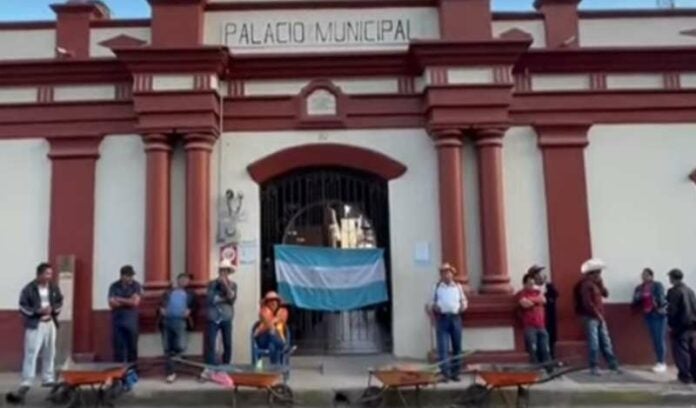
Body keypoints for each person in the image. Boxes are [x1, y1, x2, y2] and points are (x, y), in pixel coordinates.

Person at [7, 263, 64, 404]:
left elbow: (60, 301)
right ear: (39, 274)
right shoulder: (29, 289)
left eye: (51, 274)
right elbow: (22, 306)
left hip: (50, 323)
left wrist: (54, 309)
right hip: (35, 324)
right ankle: (27, 380)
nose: (50, 276)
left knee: (50, 351)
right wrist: (37, 311)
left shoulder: (53, 287)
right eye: (47, 274)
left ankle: (48, 377)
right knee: (31, 352)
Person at [574, 258, 621, 376]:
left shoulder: (596, 284)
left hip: (599, 316)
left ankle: (612, 364)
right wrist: (597, 315)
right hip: (591, 317)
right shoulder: (586, 285)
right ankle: (593, 366)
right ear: (592, 273)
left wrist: (601, 284)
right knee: (594, 342)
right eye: (598, 272)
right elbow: (587, 303)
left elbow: (606, 294)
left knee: (606, 341)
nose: (599, 274)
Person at [428, 263, 468, 382]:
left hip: (456, 318)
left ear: (452, 274)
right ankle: (445, 373)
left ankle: (455, 373)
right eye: (444, 272)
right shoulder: (436, 287)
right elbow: (430, 302)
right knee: (443, 347)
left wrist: (463, 307)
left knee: (457, 346)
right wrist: (435, 306)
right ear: (441, 275)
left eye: (448, 272)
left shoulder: (458, 287)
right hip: (443, 318)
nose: (446, 275)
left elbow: (464, 301)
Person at [159, 273, 197, 383]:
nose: (184, 281)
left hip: (181, 322)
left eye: (187, 280)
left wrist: (189, 310)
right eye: (183, 279)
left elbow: (195, 305)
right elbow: (160, 303)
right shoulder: (169, 292)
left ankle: (176, 362)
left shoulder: (190, 293)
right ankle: (171, 372)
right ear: (178, 279)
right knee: (167, 348)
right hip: (167, 321)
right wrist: (162, 309)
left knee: (180, 346)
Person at [203, 260, 237, 375]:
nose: (223, 273)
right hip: (213, 316)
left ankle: (225, 366)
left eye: (226, 271)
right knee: (211, 343)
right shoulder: (212, 284)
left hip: (226, 316)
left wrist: (226, 286)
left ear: (228, 272)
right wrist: (224, 299)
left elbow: (232, 299)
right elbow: (210, 299)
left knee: (227, 343)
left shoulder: (233, 285)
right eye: (222, 270)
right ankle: (209, 367)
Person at [632, 268, 668, 373]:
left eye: (646, 275)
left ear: (652, 276)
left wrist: (653, 298)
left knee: (659, 339)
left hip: (658, 314)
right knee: (654, 338)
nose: (644, 277)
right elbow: (635, 300)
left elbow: (661, 298)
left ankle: (661, 362)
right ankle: (658, 361)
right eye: (642, 275)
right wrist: (639, 296)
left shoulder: (657, 285)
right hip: (647, 314)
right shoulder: (639, 288)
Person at [666, 268, 696, 384]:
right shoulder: (690, 291)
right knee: (691, 351)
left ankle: (685, 376)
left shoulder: (674, 291)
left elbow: (672, 309)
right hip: (692, 325)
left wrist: (671, 324)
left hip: (680, 325)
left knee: (681, 352)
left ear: (672, 278)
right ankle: (694, 374)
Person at [108, 265, 142, 364]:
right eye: (129, 276)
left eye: (132, 276)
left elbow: (135, 302)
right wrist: (128, 300)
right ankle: (118, 373)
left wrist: (119, 299)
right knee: (118, 347)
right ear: (122, 276)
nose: (131, 278)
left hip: (131, 320)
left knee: (132, 347)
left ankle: (133, 371)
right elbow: (111, 303)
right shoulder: (114, 286)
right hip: (117, 320)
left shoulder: (136, 285)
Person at [517, 274, 551, 365]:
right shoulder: (522, 293)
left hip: (541, 325)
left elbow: (543, 300)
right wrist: (536, 301)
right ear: (524, 284)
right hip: (530, 326)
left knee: (545, 348)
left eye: (533, 283)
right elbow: (524, 304)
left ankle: (548, 367)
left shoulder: (537, 292)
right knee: (533, 349)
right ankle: (536, 368)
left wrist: (531, 300)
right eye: (529, 283)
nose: (532, 285)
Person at [527, 265, 559, 358]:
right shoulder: (532, 287)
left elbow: (556, 295)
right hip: (537, 316)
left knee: (551, 335)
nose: (542, 275)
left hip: (549, 313)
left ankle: (551, 355)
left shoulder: (548, 286)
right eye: (539, 273)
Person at [253, 291, 290, 365]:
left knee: (272, 345)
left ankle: (273, 368)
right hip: (263, 340)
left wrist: (263, 327)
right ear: (266, 302)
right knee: (271, 329)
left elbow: (280, 318)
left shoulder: (283, 311)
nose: (273, 302)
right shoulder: (263, 311)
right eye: (270, 300)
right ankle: (284, 347)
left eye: (275, 300)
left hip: (274, 340)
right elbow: (268, 324)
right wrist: (271, 324)